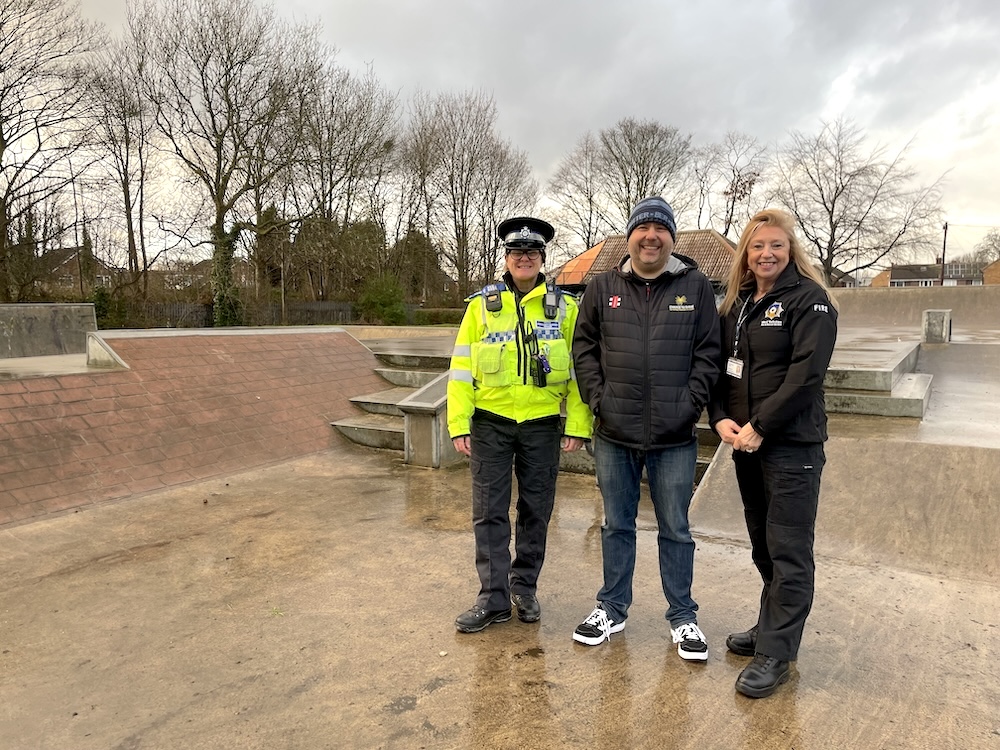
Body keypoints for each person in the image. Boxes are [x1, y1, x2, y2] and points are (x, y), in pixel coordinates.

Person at [571, 196, 721, 660]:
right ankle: (611, 609)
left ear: (672, 238)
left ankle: (683, 617)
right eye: (643, 227)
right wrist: (600, 401)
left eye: (660, 228)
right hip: (615, 433)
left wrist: (689, 404)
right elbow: (584, 350)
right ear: (630, 236)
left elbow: (709, 353)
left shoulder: (694, 287)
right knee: (618, 524)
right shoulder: (602, 287)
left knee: (675, 527)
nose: (650, 235)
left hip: (674, 437)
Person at [708, 208, 838, 698]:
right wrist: (719, 415)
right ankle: (770, 628)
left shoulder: (811, 302)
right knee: (763, 544)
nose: (766, 254)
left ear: (790, 251)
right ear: (746, 253)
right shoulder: (737, 304)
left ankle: (778, 654)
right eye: (758, 246)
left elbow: (807, 374)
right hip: (744, 443)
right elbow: (722, 368)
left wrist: (762, 425)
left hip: (790, 446)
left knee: (788, 550)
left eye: (776, 246)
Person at [449, 216, 593, 633]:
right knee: (489, 512)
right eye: (516, 253)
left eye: (531, 253)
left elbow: (581, 374)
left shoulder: (566, 308)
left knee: (536, 510)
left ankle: (524, 587)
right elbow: (459, 369)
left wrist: (578, 425)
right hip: (490, 423)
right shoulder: (481, 306)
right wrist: (459, 422)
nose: (524, 258)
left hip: (542, 424)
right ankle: (492, 598)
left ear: (542, 258)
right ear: (506, 259)